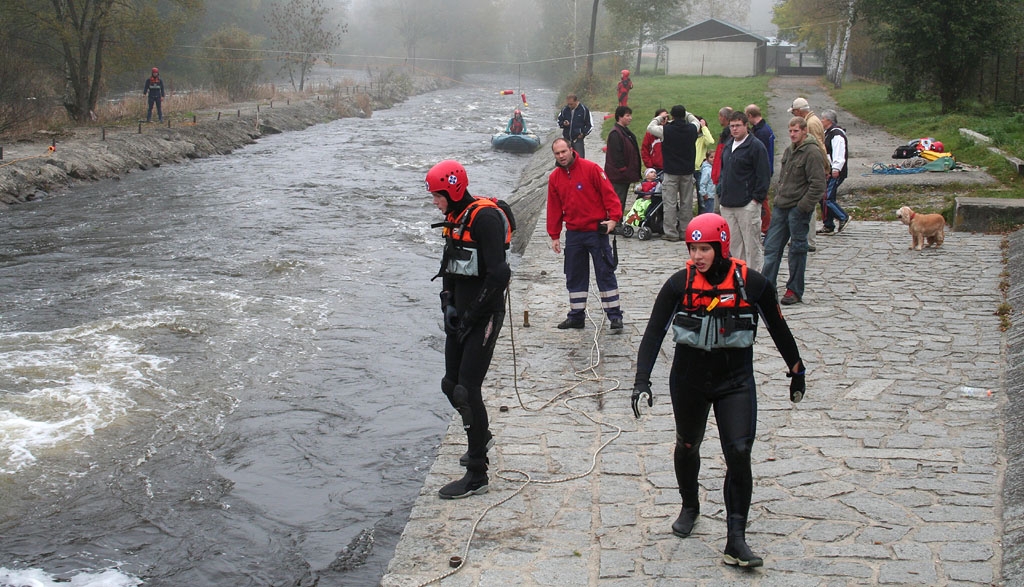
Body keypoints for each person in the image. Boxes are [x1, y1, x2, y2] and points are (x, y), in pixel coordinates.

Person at [630, 212, 806, 569]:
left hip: (735, 382)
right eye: (693, 248)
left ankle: (735, 538)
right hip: (689, 381)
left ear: (722, 246)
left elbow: (778, 326)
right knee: (688, 443)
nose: (697, 255)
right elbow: (653, 333)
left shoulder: (752, 284)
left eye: (705, 248)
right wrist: (642, 379)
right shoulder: (678, 285)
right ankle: (690, 505)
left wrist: (796, 369)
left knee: (739, 452)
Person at [426, 160, 512, 499]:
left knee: (467, 388)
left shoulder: (485, 219)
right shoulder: (455, 219)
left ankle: (477, 471)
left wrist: (473, 315)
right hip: (460, 316)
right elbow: (448, 265)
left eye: (437, 196)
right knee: (450, 384)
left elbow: (499, 274)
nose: (435, 202)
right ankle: (481, 433)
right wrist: (448, 303)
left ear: (454, 189)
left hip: (484, 314)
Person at [547, 137, 624, 332]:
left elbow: (609, 195)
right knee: (574, 276)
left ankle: (615, 316)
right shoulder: (555, 178)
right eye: (557, 153)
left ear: (571, 150)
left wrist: (614, 219)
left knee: (605, 273)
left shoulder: (591, 169)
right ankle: (576, 316)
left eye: (564, 151)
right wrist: (554, 235)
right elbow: (554, 208)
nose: (561, 156)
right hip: (573, 234)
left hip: (595, 232)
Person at [762, 117, 828, 306]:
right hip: (782, 206)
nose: (792, 134)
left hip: (798, 209)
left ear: (805, 131)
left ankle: (794, 289)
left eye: (796, 131)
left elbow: (818, 184)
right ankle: (767, 288)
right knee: (772, 247)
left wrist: (803, 207)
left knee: (797, 251)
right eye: (790, 131)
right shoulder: (790, 151)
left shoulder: (812, 152)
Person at [718, 111, 770, 271]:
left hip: (747, 204)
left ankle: (754, 278)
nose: (734, 129)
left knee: (751, 245)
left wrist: (756, 200)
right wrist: (720, 191)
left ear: (746, 126)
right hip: (727, 203)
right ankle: (738, 276)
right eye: (732, 126)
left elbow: (764, 175)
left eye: (738, 126)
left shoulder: (755, 146)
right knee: (733, 244)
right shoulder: (728, 145)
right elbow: (723, 170)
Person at [645, 105, 699, 241]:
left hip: (670, 171)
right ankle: (685, 231)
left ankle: (671, 232)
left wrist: (660, 118)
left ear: (672, 116)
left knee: (670, 202)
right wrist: (687, 114)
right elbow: (696, 122)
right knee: (686, 202)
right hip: (687, 171)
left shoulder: (666, 130)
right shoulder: (691, 129)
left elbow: (650, 127)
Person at [787, 98, 828, 250]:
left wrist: (825, 166)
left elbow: (819, 146)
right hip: (812, 166)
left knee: (808, 205)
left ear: (799, 111)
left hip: (810, 168)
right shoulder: (815, 119)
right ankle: (804, 238)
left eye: (793, 112)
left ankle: (808, 240)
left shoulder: (810, 123)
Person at [817, 109, 851, 234]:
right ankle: (828, 224)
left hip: (835, 171)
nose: (821, 121)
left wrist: (836, 168)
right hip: (829, 170)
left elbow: (839, 153)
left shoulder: (837, 134)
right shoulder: (828, 133)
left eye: (823, 119)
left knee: (827, 198)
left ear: (829, 121)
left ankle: (843, 217)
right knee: (824, 197)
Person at [745, 104, 776, 237]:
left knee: (762, 200)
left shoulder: (762, 132)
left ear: (750, 116)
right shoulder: (764, 128)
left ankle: (767, 228)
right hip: (765, 168)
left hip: (763, 169)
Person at [604, 105, 642, 215]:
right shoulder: (616, 133)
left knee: (622, 199)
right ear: (620, 117)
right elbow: (616, 155)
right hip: (618, 175)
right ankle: (615, 222)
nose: (630, 118)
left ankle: (617, 221)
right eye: (627, 115)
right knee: (617, 200)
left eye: (630, 115)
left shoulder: (625, 131)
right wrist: (623, 170)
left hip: (624, 175)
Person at [557, 94, 592, 159]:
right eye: (568, 104)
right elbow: (559, 121)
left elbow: (590, 125)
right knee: (566, 159)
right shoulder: (564, 109)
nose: (569, 106)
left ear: (576, 101)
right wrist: (564, 123)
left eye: (571, 104)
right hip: (567, 139)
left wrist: (583, 133)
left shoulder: (584, 110)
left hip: (578, 139)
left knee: (580, 159)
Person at [640, 108, 667, 174]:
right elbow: (644, 150)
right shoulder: (650, 133)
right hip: (655, 168)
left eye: (665, 117)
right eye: (661, 118)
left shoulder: (671, 131)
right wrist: (650, 165)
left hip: (669, 167)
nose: (663, 120)